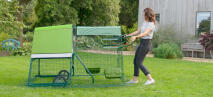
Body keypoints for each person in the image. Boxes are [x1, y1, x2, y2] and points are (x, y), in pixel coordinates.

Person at [126, 8, 156, 85]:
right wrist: (129, 35)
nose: (143, 15)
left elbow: (145, 33)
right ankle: (135, 80)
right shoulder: (145, 22)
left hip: (146, 44)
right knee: (135, 61)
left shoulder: (151, 24)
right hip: (142, 43)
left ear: (147, 14)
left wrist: (136, 37)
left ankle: (150, 79)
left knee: (139, 62)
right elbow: (138, 31)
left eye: (144, 13)